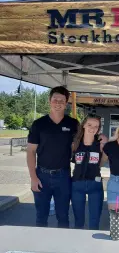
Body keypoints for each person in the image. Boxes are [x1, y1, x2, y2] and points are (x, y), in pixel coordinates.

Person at [27, 86, 79, 228]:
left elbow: (81, 144)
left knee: (63, 216)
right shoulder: (39, 124)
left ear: (66, 103)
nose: (58, 102)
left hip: (63, 176)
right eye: (55, 99)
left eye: (61, 100)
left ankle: (62, 249)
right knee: (41, 216)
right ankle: (40, 248)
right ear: (50, 101)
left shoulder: (73, 124)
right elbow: (31, 151)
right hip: (41, 176)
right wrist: (33, 178)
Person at [71, 114, 108, 230]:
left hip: (95, 184)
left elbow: (102, 162)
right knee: (78, 221)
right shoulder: (75, 143)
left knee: (94, 221)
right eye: (89, 125)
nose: (92, 128)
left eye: (96, 126)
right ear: (84, 125)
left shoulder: (100, 143)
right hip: (77, 184)